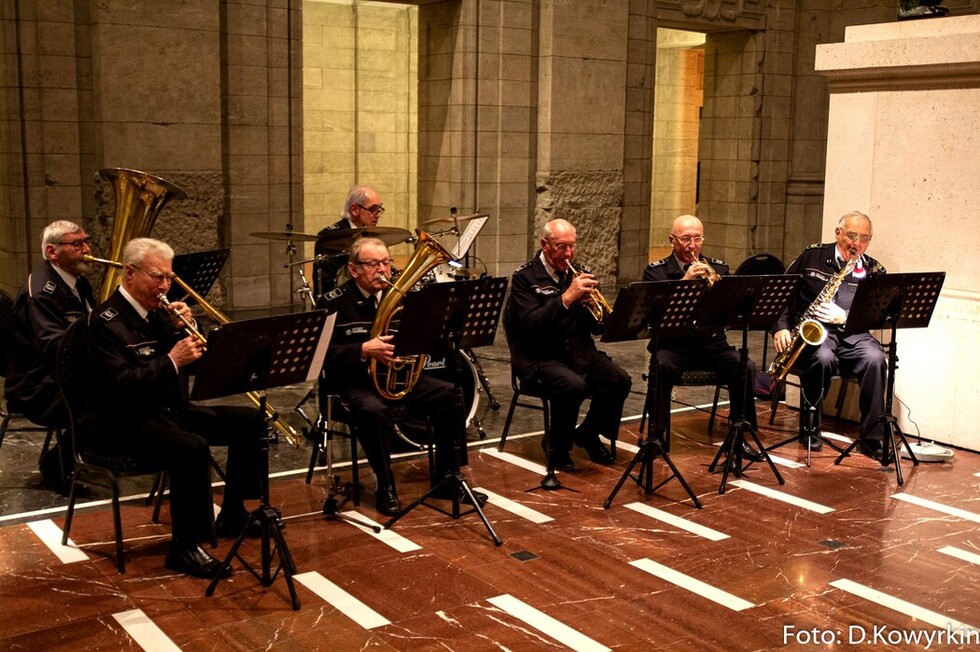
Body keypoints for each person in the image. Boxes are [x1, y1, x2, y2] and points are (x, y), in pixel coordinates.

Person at [84, 237, 265, 578]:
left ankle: (233, 512)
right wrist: (171, 360)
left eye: (169, 277)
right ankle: (184, 547)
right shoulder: (104, 323)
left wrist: (190, 330)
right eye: (158, 277)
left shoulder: (159, 315)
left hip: (167, 412)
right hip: (121, 422)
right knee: (191, 448)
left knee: (252, 421)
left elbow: (198, 362)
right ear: (130, 274)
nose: (166, 286)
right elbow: (119, 386)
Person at [317, 237, 480, 516]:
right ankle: (385, 484)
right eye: (373, 264)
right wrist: (363, 349)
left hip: (395, 378)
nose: (383, 270)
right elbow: (318, 356)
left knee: (451, 394)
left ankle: (446, 478)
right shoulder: (334, 303)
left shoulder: (404, 297)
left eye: (386, 262)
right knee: (373, 410)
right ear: (354, 269)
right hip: (351, 384)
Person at [503, 218, 631, 471]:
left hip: (577, 352)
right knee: (573, 387)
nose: (569, 253)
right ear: (545, 244)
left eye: (572, 246)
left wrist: (596, 311)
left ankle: (587, 433)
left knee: (619, 380)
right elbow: (529, 326)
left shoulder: (579, 271)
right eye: (562, 247)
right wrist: (566, 298)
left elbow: (598, 329)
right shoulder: (525, 278)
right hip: (538, 356)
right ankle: (557, 447)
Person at [642, 215, 762, 461]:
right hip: (674, 345)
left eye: (697, 239)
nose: (692, 245)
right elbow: (654, 317)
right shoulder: (656, 273)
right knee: (660, 366)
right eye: (686, 239)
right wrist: (685, 283)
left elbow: (730, 313)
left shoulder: (718, 268)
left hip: (711, 345)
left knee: (745, 366)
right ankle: (657, 437)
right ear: (672, 240)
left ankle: (737, 436)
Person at [773, 211, 887, 459]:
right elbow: (782, 293)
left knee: (876, 359)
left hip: (852, 333)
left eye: (864, 238)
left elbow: (876, 314)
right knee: (823, 358)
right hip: (816, 332)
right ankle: (810, 428)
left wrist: (844, 316)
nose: (857, 243)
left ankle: (872, 438)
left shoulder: (873, 269)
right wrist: (781, 327)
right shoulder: (812, 255)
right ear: (838, 234)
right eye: (852, 235)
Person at [4, 221, 96, 492]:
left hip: (60, 374)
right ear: (52, 251)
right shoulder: (42, 292)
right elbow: (54, 347)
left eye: (86, 241)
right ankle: (57, 464)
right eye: (77, 244)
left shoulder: (78, 283)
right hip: (37, 386)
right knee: (110, 396)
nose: (87, 249)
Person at [313, 185, 385, 296]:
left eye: (379, 209)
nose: (378, 214)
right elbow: (329, 280)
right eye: (373, 209)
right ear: (354, 209)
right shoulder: (331, 235)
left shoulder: (369, 233)